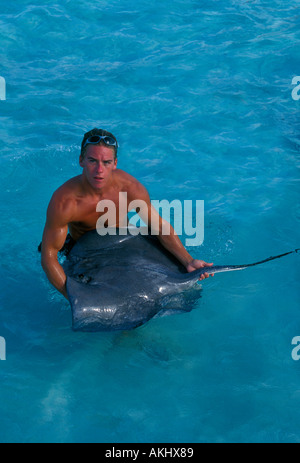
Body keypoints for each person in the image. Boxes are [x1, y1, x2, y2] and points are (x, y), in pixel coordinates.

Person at [40, 128, 213, 300]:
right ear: (81, 160)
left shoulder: (130, 189)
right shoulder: (65, 202)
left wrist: (188, 260)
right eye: (92, 161)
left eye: (106, 162)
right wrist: (76, 298)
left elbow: (159, 226)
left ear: (115, 163)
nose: (99, 170)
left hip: (126, 244)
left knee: (187, 291)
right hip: (86, 254)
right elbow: (49, 256)